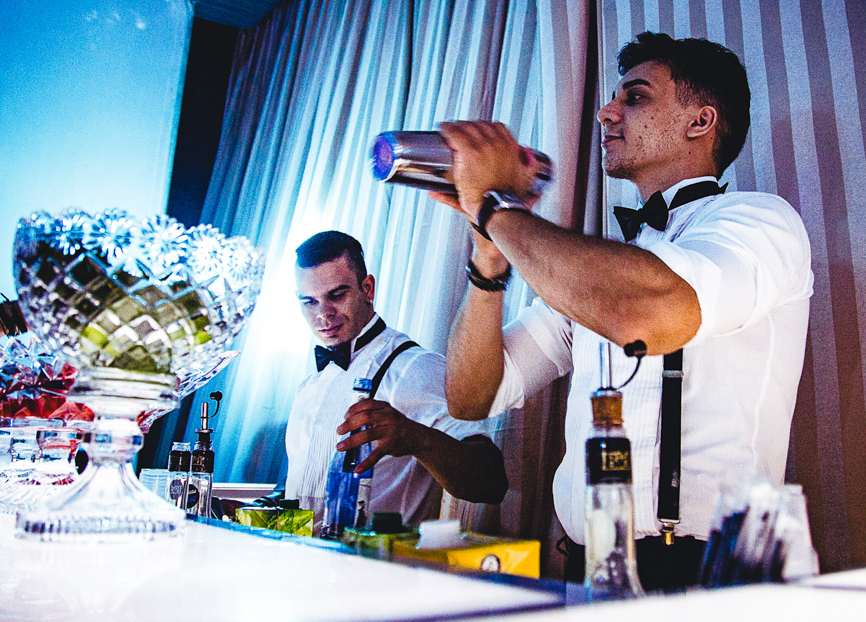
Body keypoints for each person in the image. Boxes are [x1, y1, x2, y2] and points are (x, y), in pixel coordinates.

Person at [434, 32, 814, 590]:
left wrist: (494, 207)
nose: (605, 113)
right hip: (588, 565)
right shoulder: (599, 274)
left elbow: (650, 313)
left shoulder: (760, 222)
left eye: (634, 97)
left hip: (710, 573)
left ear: (701, 121)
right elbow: (472, 398)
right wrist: (489, 259)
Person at [284, 230, 507, 535]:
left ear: (367, 288)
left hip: (375, 561)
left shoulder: (414, 366)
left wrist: (414, 437)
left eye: (336, 295)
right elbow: (306, 486)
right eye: (309, 301)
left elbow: (491, 481)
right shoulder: (309, 385)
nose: (323, 314)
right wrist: (262, 506)